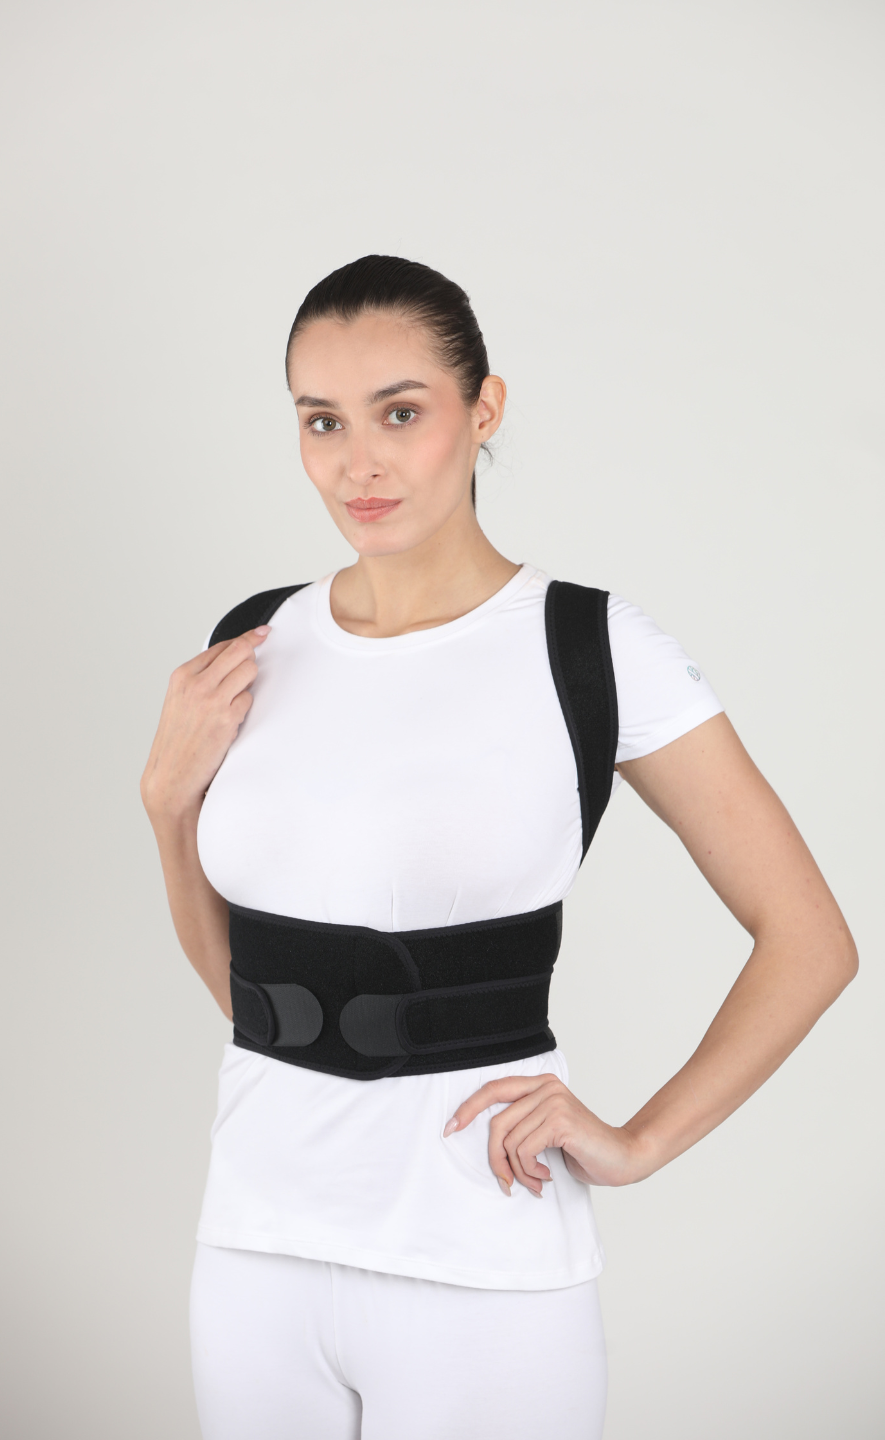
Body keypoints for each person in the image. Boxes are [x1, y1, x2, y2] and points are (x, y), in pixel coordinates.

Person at [140, 255, 857, 1440]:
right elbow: (246, 991)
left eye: (400, 413)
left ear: (485, 410)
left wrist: (638, 1143)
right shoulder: (252, 644)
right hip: (256, 1253)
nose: (358, 463)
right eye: (322, 421)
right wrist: (167, 808)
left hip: (480, 1265)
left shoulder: (588, 644)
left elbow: (812, 941)